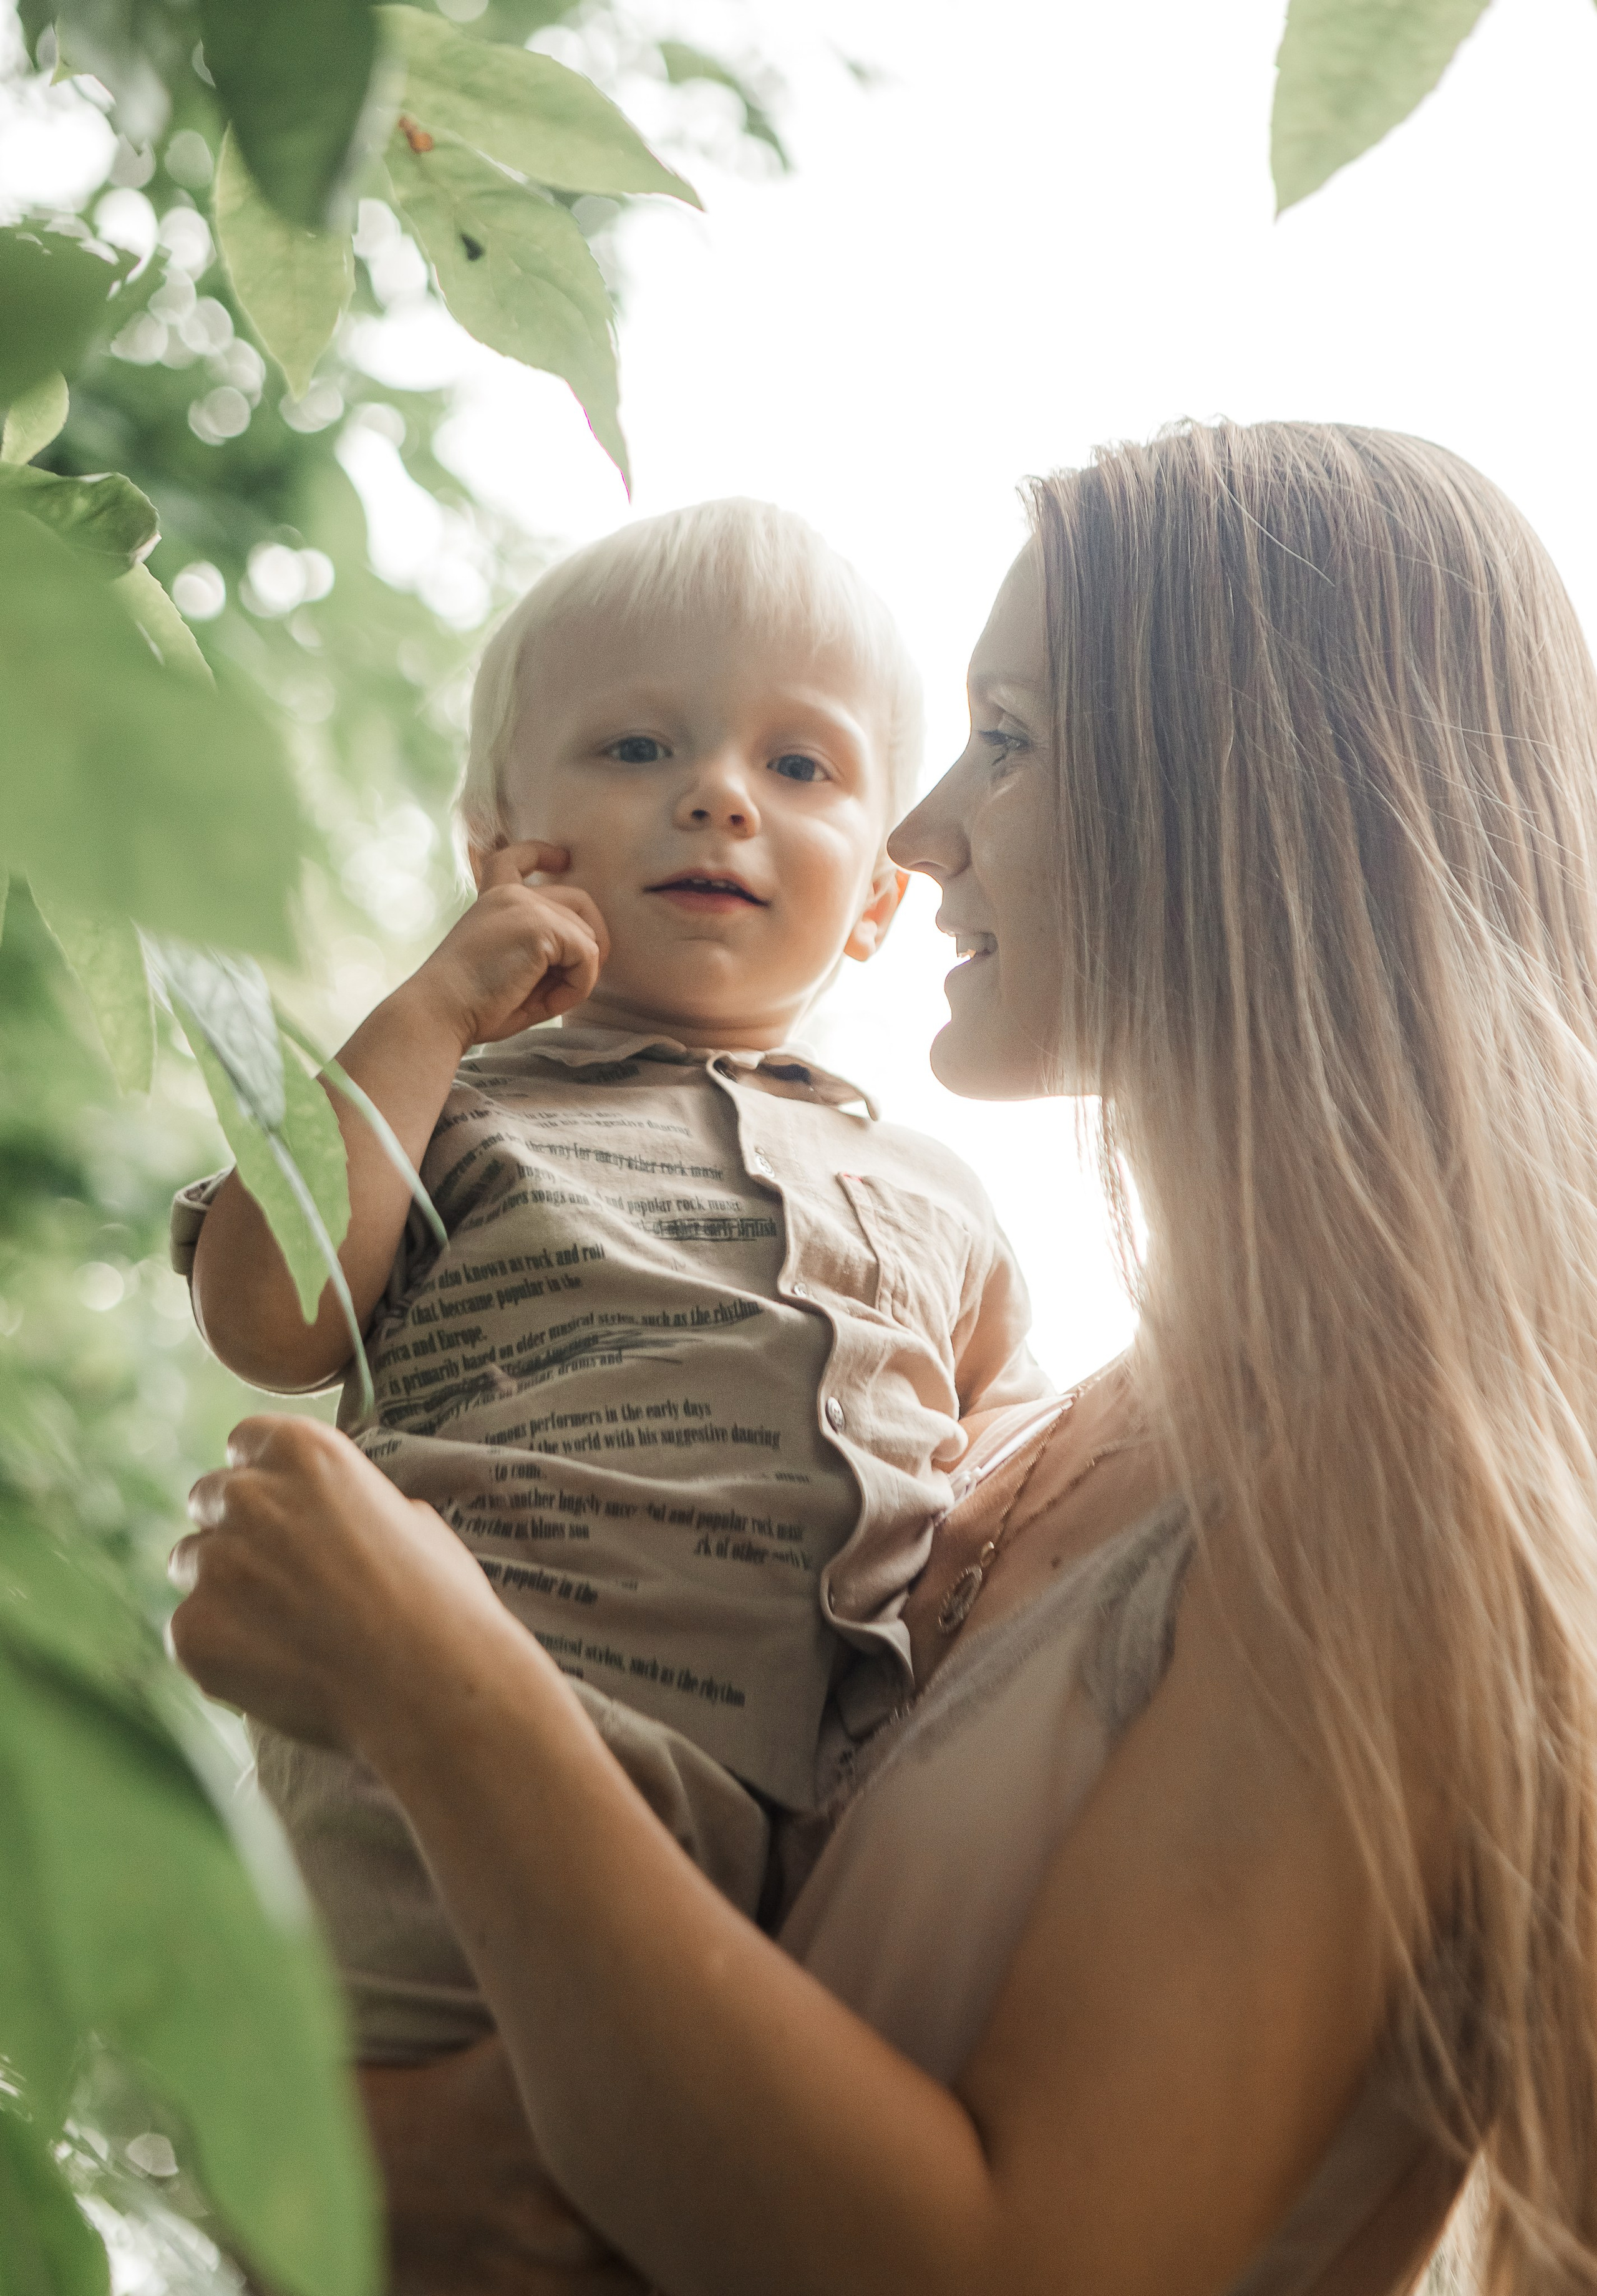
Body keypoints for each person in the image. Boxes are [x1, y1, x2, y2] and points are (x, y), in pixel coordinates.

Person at [169, 420, 1597, 2295]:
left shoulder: (1397, 1483)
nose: (921, 834)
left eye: (1003, 738)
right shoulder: (998, 1446)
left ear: (1252, 794)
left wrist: (434, 1684)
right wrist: (342, 2158)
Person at [172, 499, 1048, 2067]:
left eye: (798, 765)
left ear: (872, 902)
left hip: (802, 1846)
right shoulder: (447, 1102)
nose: (716, 795)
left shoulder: (937, 1196)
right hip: (418, 1785)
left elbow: (1006, 1498)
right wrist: (438, 1001)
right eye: (637, 749)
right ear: (500, 847)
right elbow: (265, 1309)